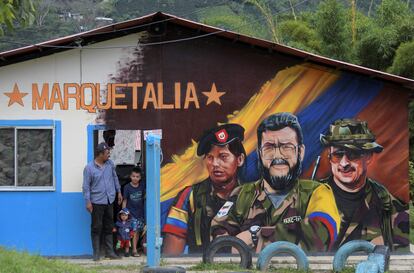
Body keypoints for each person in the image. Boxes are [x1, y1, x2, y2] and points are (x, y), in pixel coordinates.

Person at [211, 113, 321, 252]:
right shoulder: (241, 195)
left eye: (286, 146)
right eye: (269, 147)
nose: (278, 155)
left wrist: (255, 237)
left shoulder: (316, 193)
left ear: (300, 152)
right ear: (259, 153)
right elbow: (218, 239)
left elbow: (320, 233)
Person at [306, 119, 409, 251]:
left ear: (368, 156)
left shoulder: (388, 205)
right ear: (330, 157)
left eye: (353, 154)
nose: (344, 164)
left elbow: (401, 260)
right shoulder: (307, 197)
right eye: (338, 155)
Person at [162, 124, 246, 255]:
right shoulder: (189, 196)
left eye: (223, 157)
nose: (215, 164)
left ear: (239, 159)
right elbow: (172, 255)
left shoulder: (253, 195)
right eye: (210, 157)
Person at [82, 142, 122, 261]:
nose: (109, 155)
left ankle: (110, 252)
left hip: (109, 200)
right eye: (107, 153)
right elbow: (86, 187)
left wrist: (119, 191)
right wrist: (88, 201)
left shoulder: (110, 164)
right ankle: (96, 253)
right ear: (100, 154)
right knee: (96, 227)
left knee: (109, 226)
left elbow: (115, 178)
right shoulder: (89, 168)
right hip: (96, 202)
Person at [122, 167, 145, 257]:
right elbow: (124, 201)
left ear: (140, 178)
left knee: (138, 232)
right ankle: (134, 250)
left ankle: (132, 248)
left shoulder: (142, 185)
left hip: (140, 213)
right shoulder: (127, 187)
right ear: (130, 176)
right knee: (133, 231)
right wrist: (124, 213)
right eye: (133, 176)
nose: (135, 178)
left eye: (137, 176)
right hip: (131, 213)